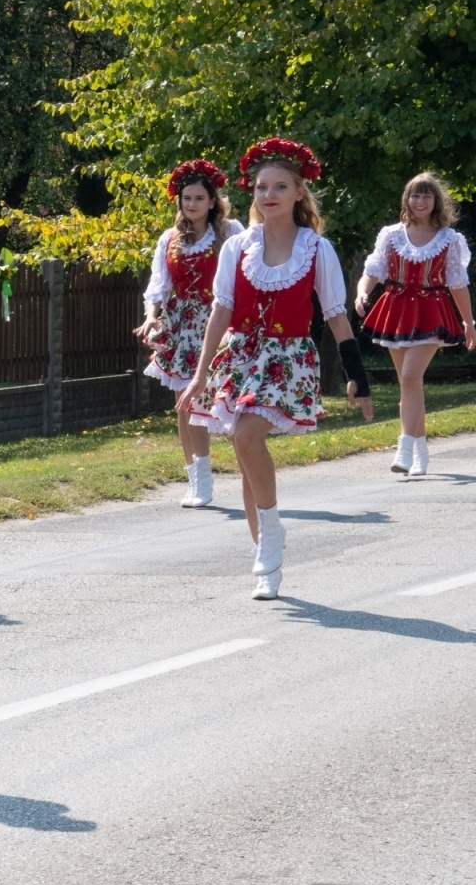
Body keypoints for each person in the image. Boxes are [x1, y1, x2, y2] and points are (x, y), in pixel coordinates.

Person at [176, 138, 373, 601]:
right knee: (246, 460)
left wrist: (357, 377)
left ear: (299, 193)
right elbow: (220, 313)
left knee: (246, 438)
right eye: (262, 187)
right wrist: (200, 373)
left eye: (280, 187)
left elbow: (336, 316)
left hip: (288, 360)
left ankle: (271, 533)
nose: (269, 195)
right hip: (241, 355)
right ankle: (266, 557)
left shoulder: (316, 248)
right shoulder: (237, 248)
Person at [135, 159, 244, 507]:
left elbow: (246, 274)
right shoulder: (169, 239)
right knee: (184, 404)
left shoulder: (230, 232)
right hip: (182, 326)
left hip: (218, 323)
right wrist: (152, 316)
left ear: (212, 201)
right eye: (186, 199)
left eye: (199, 198)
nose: (192, 204)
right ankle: (198, 480)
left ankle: (249, 469)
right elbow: (158, 285)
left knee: (224, 403)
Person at [354, 172, 475, 476]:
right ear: (407, 199)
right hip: (395, 308)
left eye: (427, 196)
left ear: (436, 201)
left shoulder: (449, 239)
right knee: (410, 384)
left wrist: (469, 322)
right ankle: (420, 453)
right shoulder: (391, 234)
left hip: (431, 310)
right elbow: (375, 268)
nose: (420, 201)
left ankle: (404, 446)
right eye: (415, 195)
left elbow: (457, 283)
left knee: (410, 377)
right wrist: (362, 291)